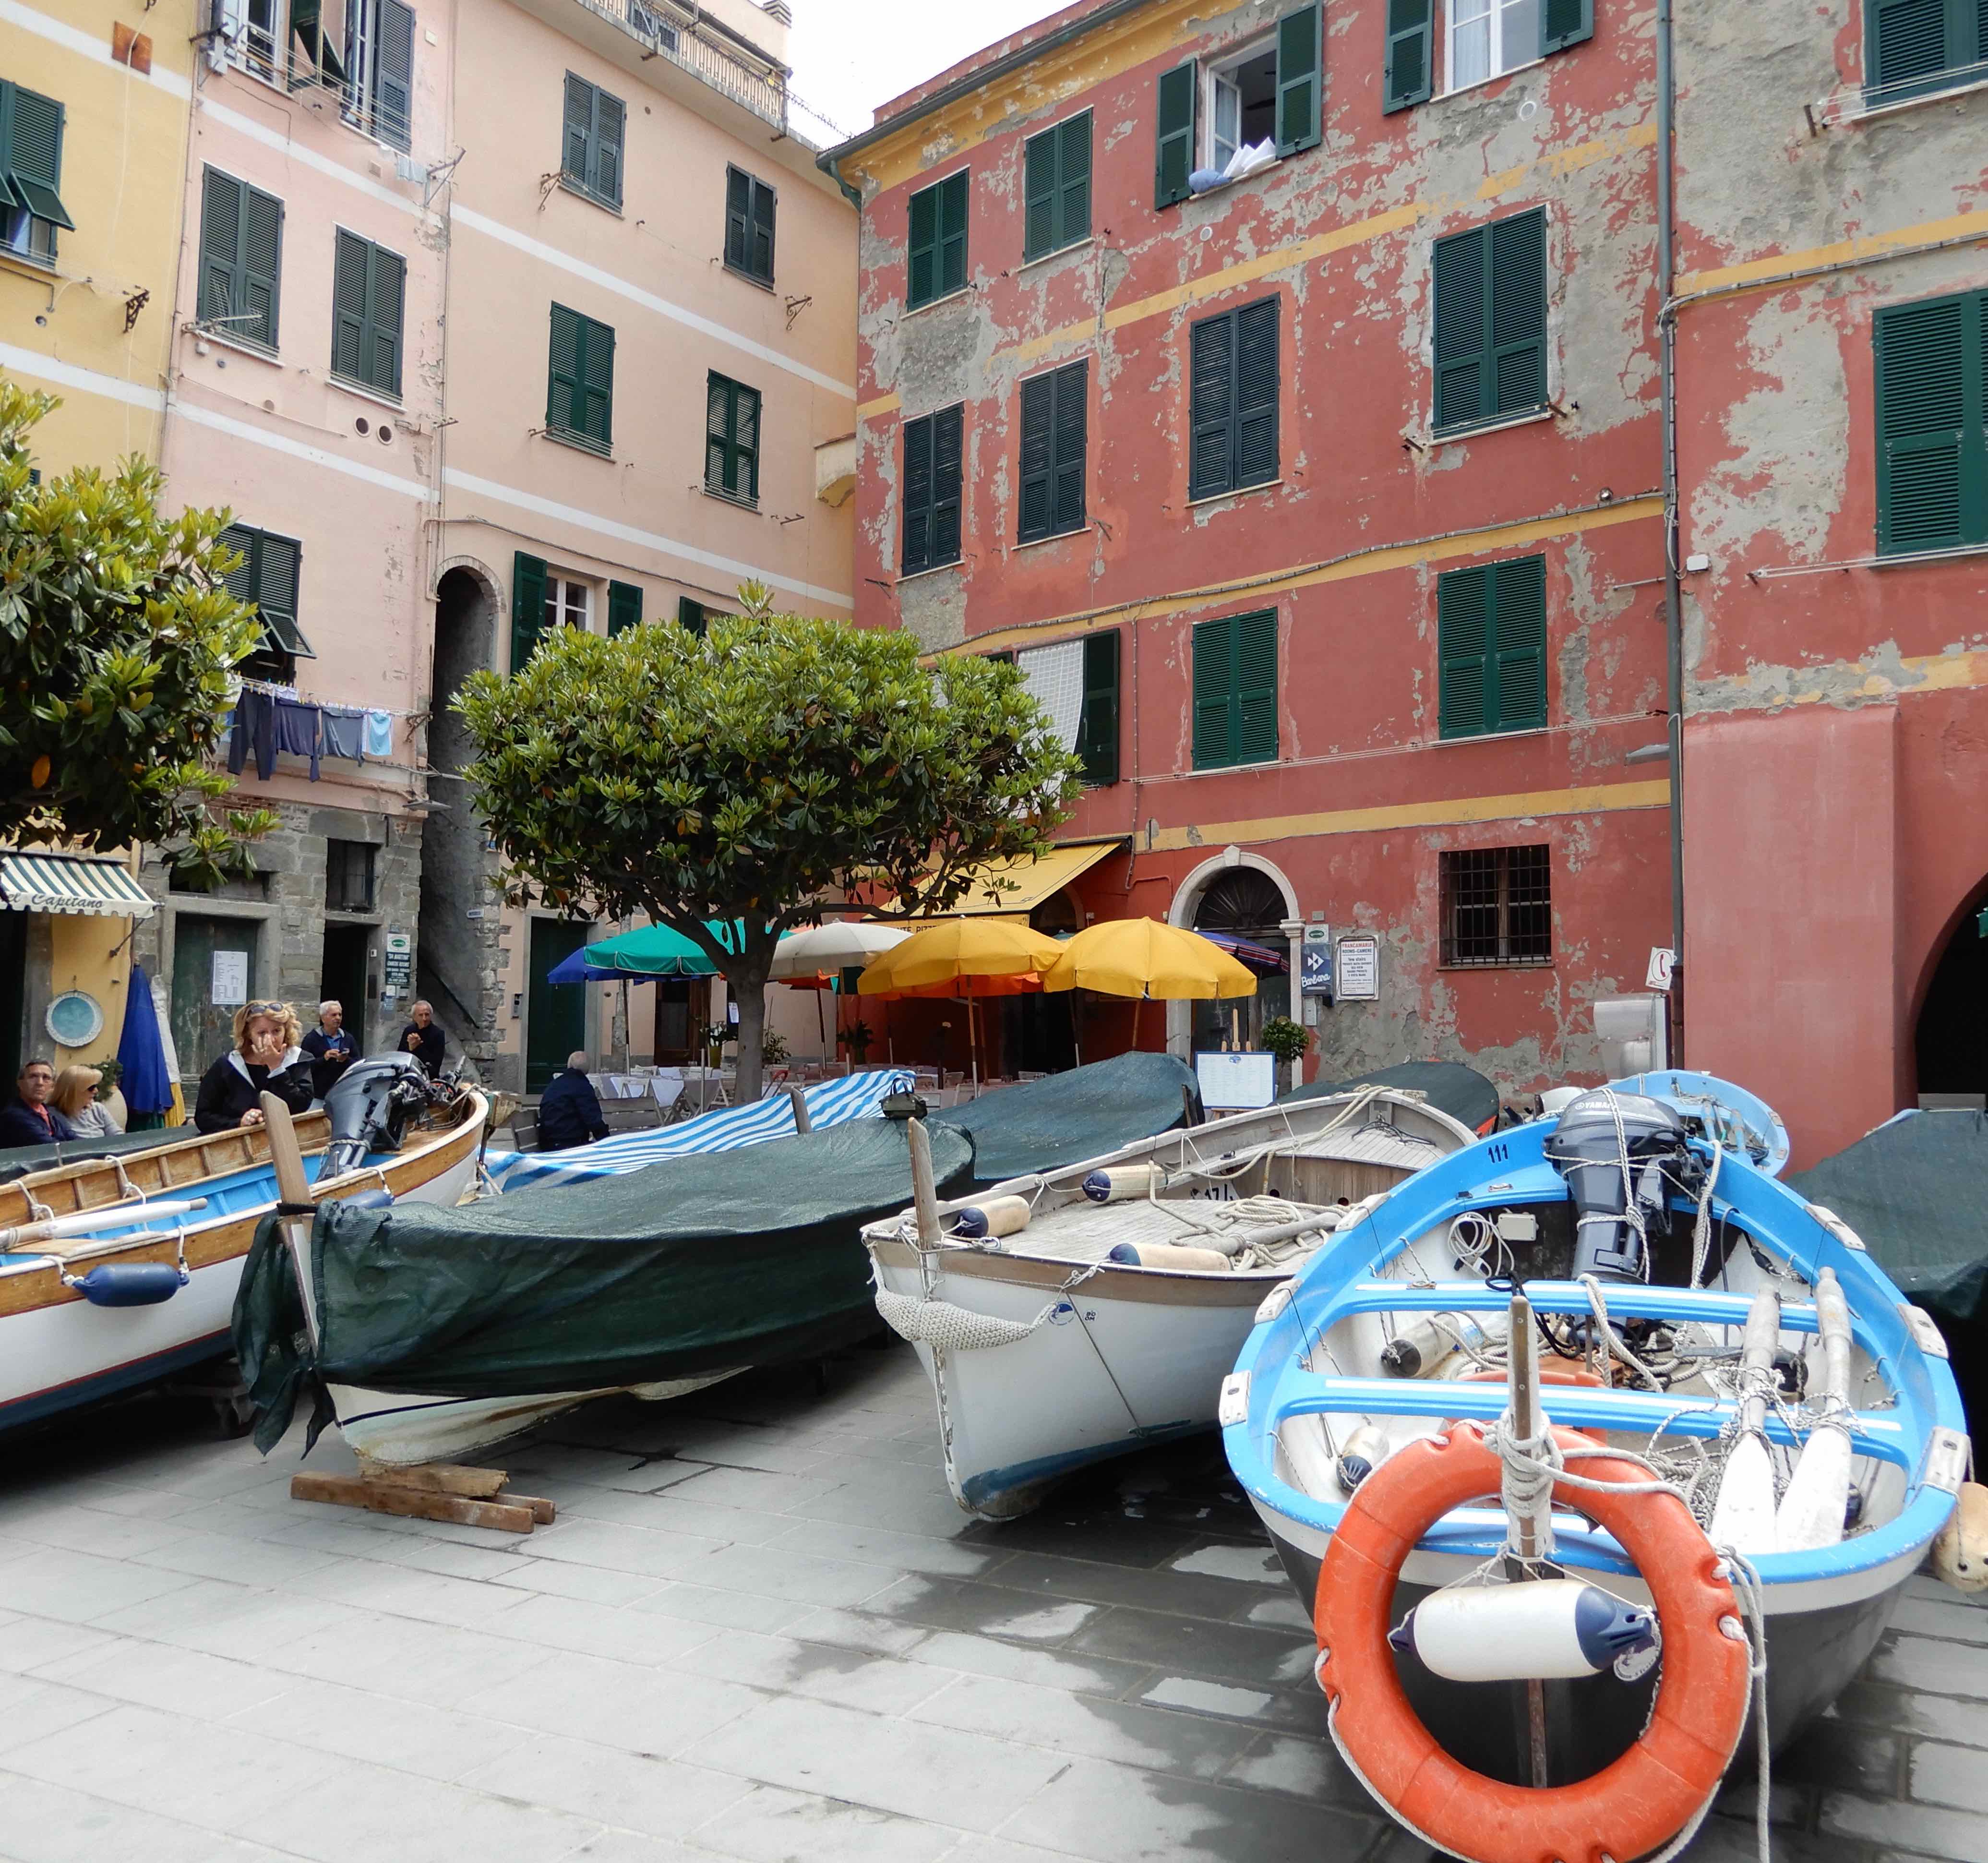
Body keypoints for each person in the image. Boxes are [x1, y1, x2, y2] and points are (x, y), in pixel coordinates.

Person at [193, 1001, 315, 1133]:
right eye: (262, 1033)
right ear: (249, 1035)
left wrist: (276, 1068)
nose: (271, 1040)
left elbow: (300, 1107)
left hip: (289, 1139)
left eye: (277, 1031)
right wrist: (239, 1123)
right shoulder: (228, 1065)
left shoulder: (298, 1059)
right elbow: (203, 1116)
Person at [536, 1050, 608, 1151]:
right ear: (587, 1070)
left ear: (569, 1065)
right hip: (569, 1143)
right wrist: (607, 1141)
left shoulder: (554, 1084)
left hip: (548, 1141)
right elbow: (593, 1119)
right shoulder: (583, 1087)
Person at [0, 1059, 77, 1148]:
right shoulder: (13, 1116)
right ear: (20, 1083)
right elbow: (51, 1148)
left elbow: (73, 1137)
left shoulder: (53, 1112)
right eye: (33, 1077)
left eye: (46, 1078)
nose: (40, 1083)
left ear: (52, 1086)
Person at [301, 999, 359, 1099]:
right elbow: (303, 1067)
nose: (338, 1018)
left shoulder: (348, 1038)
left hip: (343, 1093)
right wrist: (325, 1058)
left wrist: (345, 1060)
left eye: (340, 1015)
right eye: (334, 1015)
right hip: (318, 1095)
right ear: (323, 1018)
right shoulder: (311, 1039)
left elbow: (358, 1064)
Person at [51, 1065, 120, 1137]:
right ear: (74, 1091)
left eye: (96, 1086)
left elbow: (117, 1135)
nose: (96, 1091)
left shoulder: (98, 1109)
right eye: (91, 1088)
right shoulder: (54, 1117)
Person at [399, 999, 445, 1079]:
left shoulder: (438, 1033)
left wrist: (417, 1047)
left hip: (428, 1077)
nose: (424, 1019)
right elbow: (401, 1055)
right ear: (414, 1017)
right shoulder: (409, 1031)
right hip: (408, 1075)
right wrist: (411, 1048)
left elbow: (436, 1064)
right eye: (421, 1015)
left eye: (427, 1015)